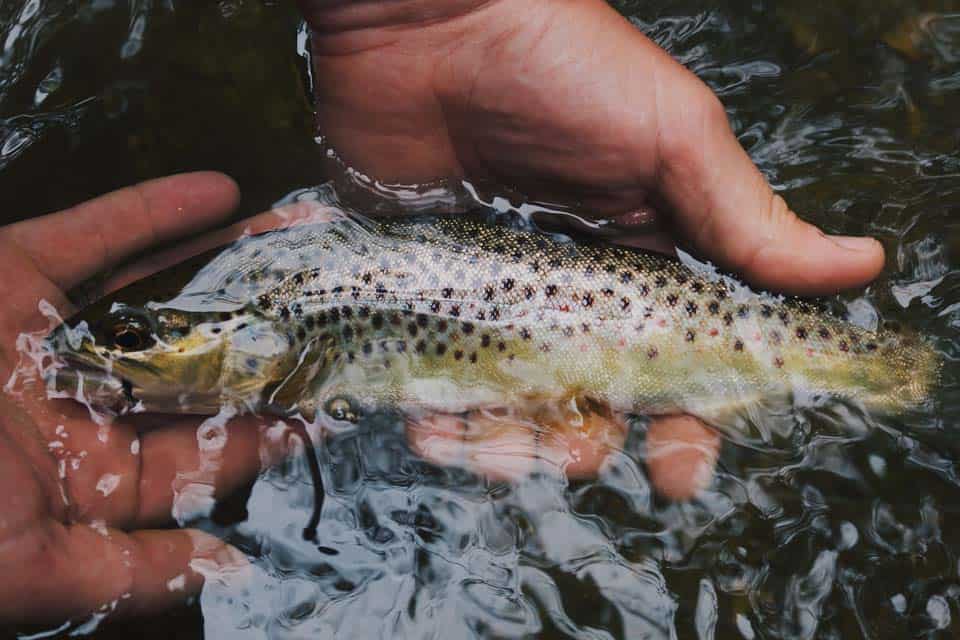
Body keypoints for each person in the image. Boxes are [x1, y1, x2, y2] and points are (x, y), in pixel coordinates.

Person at [0, 0, 885, 627]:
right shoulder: (281, 319)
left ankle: (886, 377)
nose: (102, 354)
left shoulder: (282, 324)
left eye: (129, 341)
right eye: (127, 343)